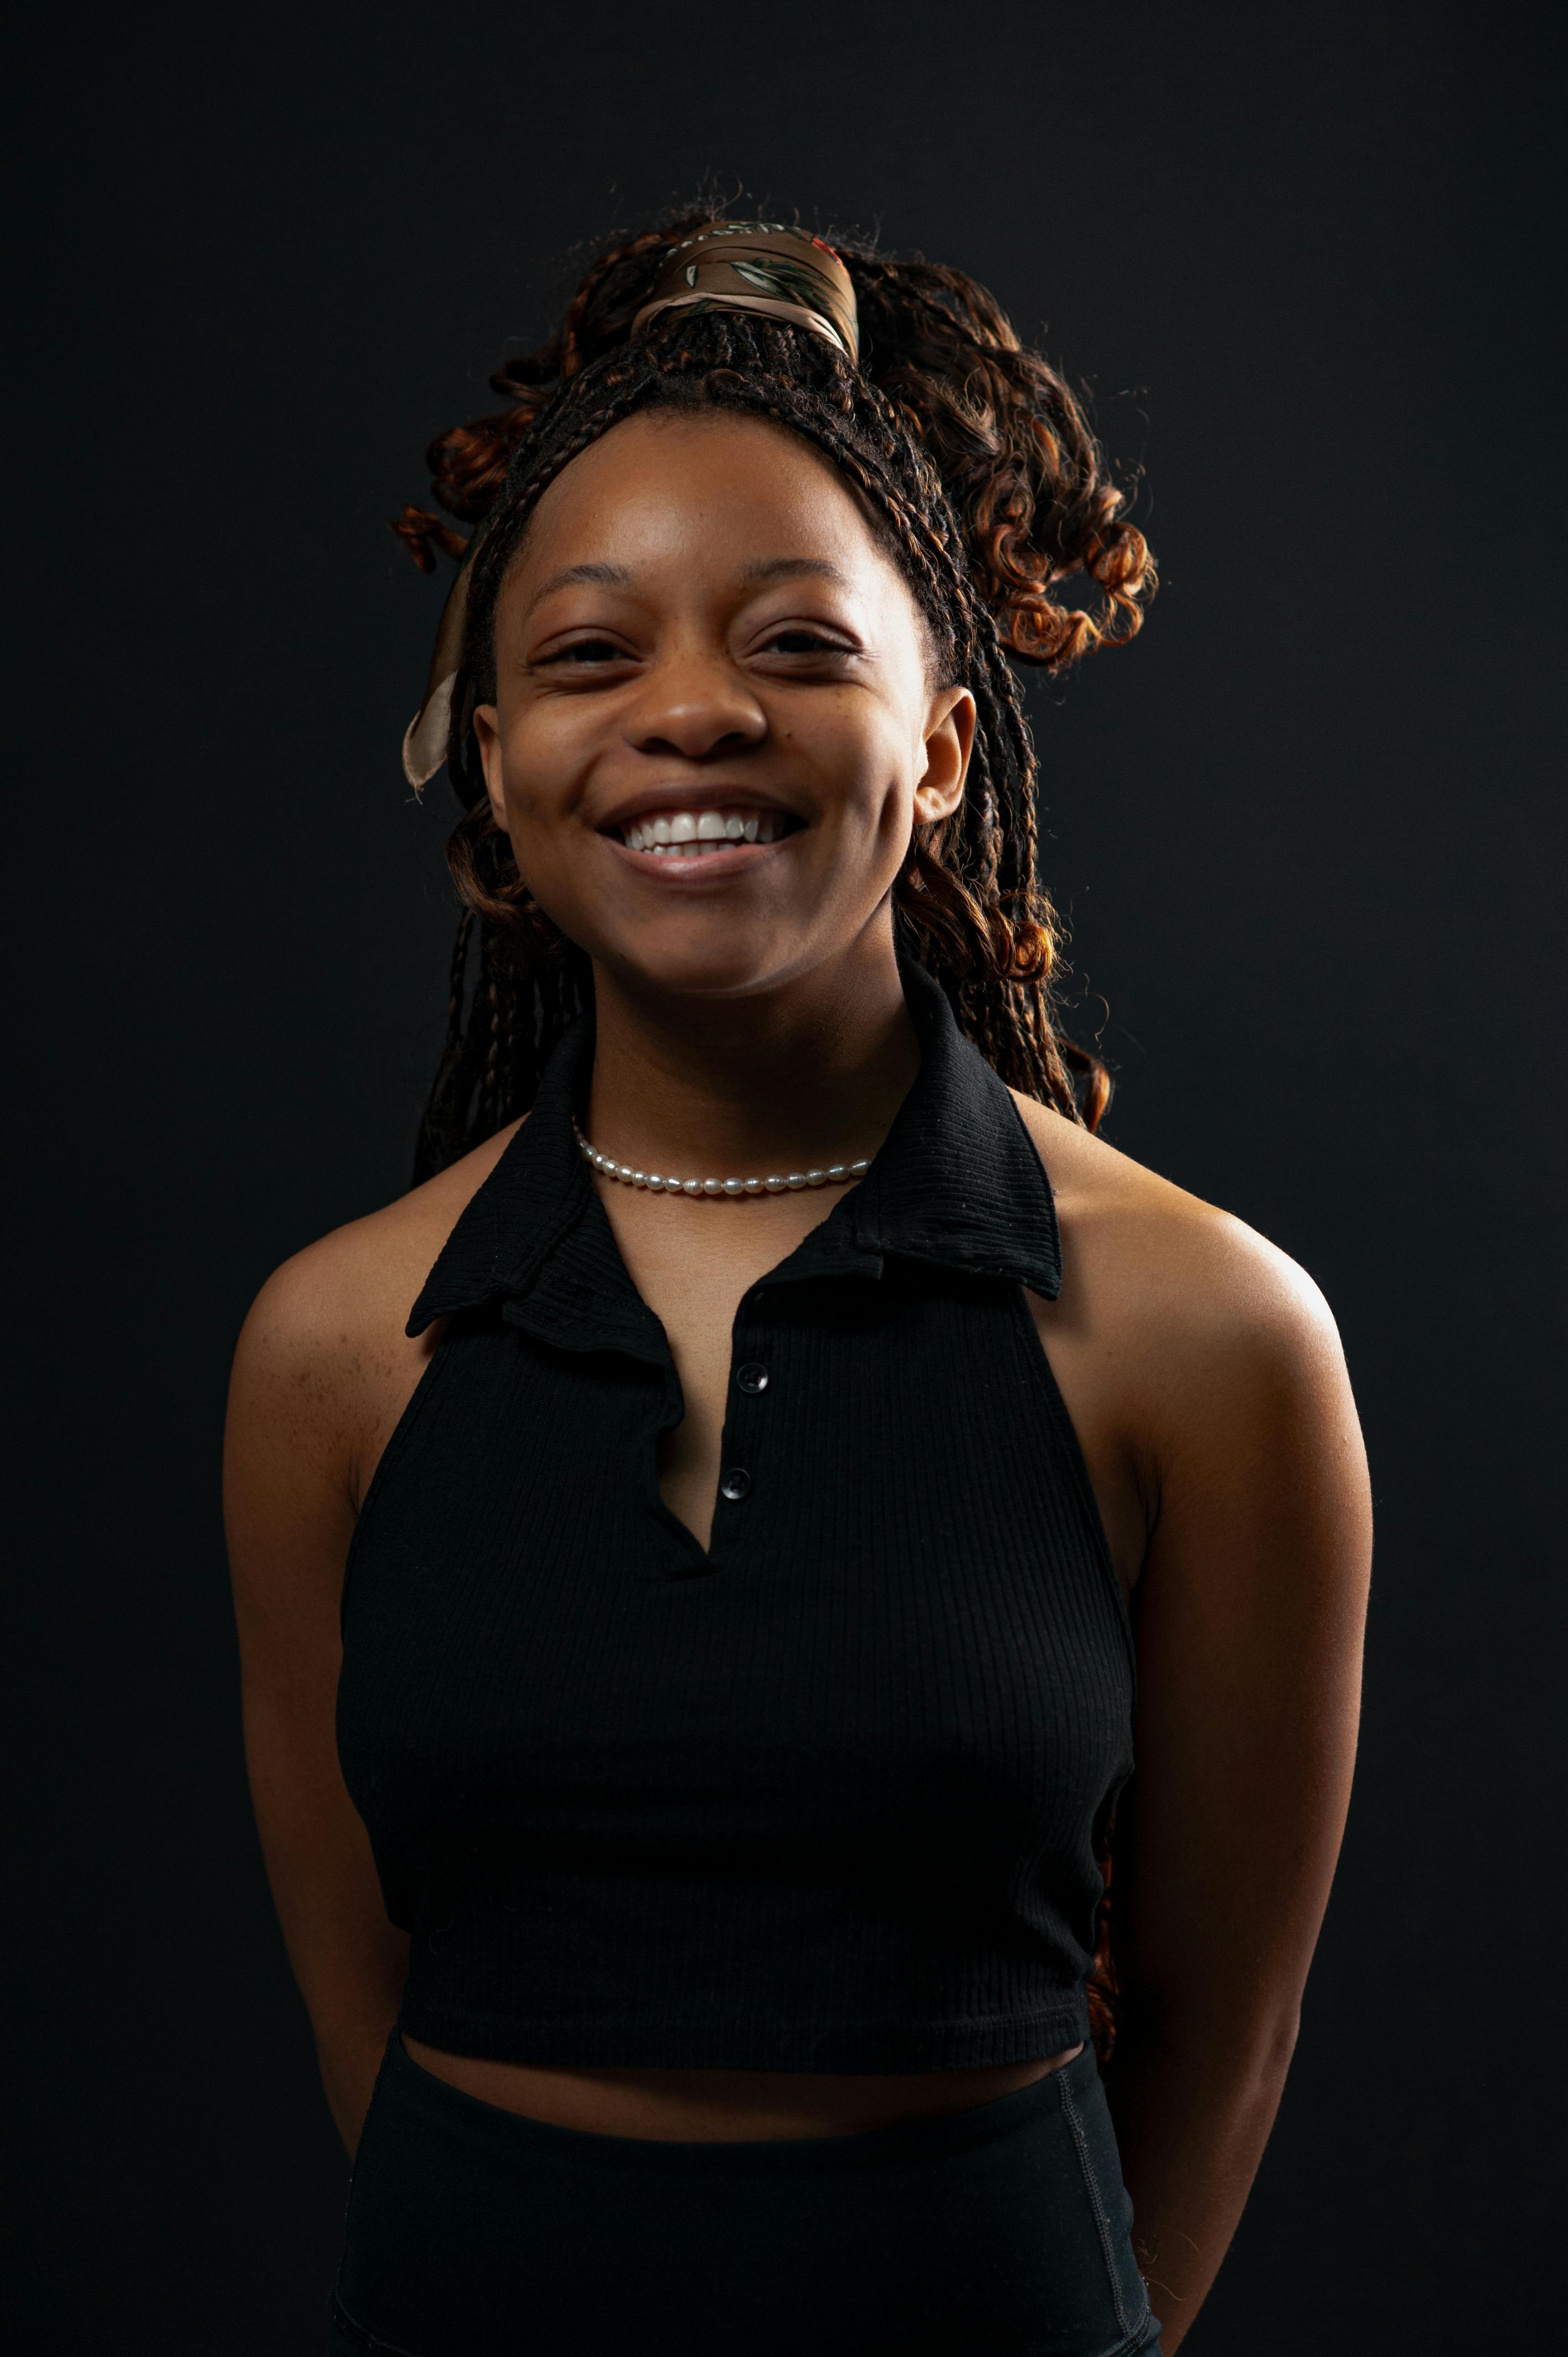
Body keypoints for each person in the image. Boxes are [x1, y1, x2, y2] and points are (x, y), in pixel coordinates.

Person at [224, 218, 1373, 2356]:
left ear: (942, 750)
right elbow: (357, 1999)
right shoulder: (333, 1350)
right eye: (586, 656)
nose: (691, 715)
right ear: (491, 770)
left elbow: (1226, 2027)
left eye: (797, 646)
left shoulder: (1209, 1336)